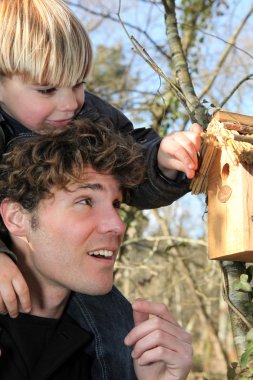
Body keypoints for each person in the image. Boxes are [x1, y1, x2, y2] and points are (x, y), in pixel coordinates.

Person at [0, 0, 199, 378]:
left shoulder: (87, 113)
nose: (69, 103)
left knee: (117, 329)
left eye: (78, 84)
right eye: (46, 90)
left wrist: (162, 162)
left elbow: (131, 155)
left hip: (68, 287)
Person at [0, 120, 192, 379]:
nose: (117, 225)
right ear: (17, 218)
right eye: (85, 201)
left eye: (116, 204)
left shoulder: (112, 348)